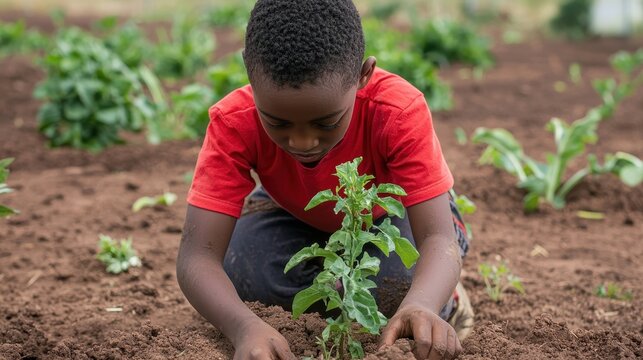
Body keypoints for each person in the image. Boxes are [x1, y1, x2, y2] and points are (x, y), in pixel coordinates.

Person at [177, 0, 474, 359]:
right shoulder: (233, 121)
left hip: (392, 218)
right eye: (277, 123)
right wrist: (244, 326)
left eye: (326, 123)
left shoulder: (397, 112)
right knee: (242, 272)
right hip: (293, 211)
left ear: (363, 76)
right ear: (249, 73)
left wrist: (423, 304)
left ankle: (446, 301)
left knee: (401, 288)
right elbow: (198, 258)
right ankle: (333, 285)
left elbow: (437, 237)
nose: (302, 143)